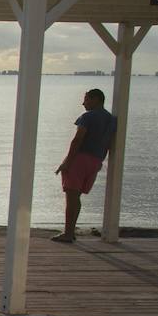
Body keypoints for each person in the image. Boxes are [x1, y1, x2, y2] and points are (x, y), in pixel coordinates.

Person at [51, 88, 116, 243]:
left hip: (80, 159)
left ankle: (68, 233)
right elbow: (109, 143)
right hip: (96, 161)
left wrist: (66, 162)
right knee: (77, 197)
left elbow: (77, 139)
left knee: (71, 197)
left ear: (96, 99)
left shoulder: (87, 117)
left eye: (86, 99)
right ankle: (70, 231)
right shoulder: (111, 119)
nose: (83, 103)